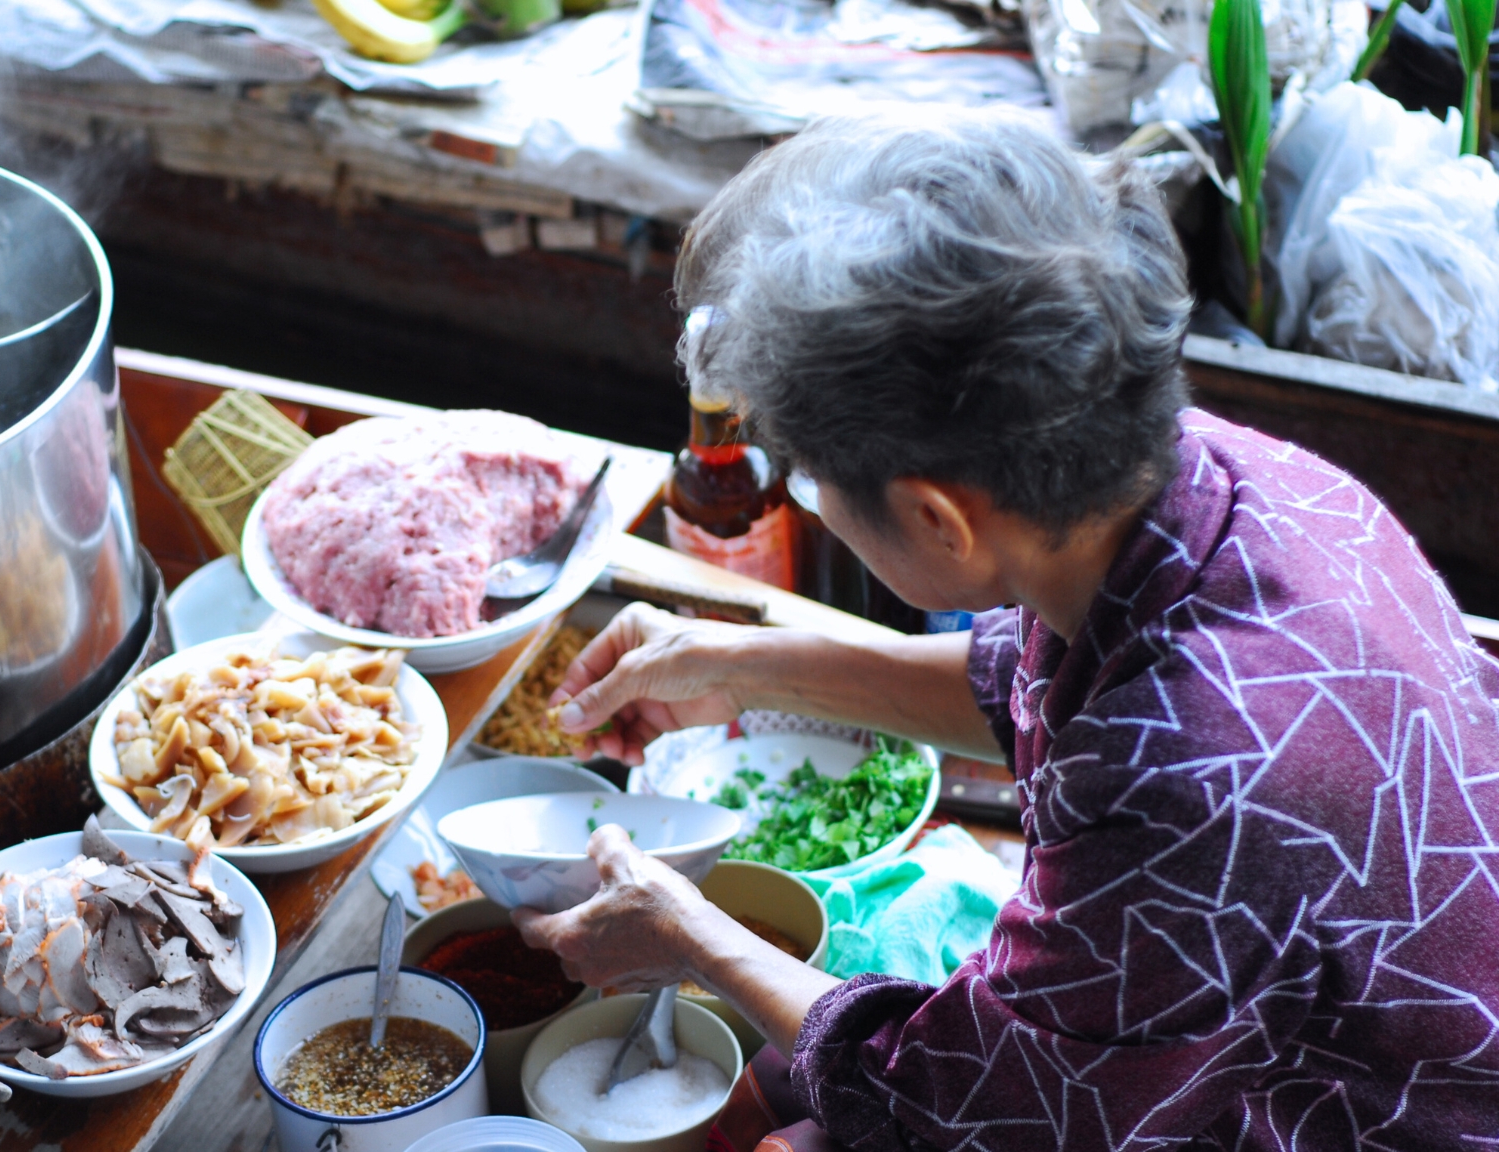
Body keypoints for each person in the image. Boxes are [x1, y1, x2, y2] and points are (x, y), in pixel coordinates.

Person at [514, 107, 1499, 1150]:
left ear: (939, 519)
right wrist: (744, 666)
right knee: (776, 1081)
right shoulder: (1221, 474)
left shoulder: (1186, 777)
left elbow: (972, 1109)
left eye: (806, 481)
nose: (802, 497)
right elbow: (1025, 679)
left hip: (1362, 1120)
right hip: (1293, 1002)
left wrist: (687, 934)